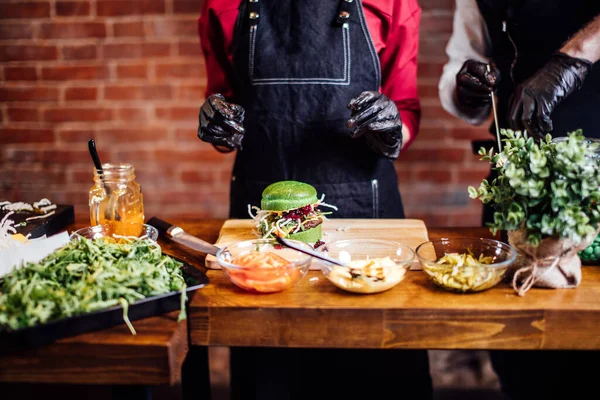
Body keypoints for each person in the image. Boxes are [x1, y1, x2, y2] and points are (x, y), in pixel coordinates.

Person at [197, 0, 432, 399]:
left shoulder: (394, 4)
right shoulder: (222, 5)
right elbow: (225, 100)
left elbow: (405, 107)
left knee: (376, 371)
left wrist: (392, 130)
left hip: (364, 211)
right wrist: (217, 123)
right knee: (270, 371)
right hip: (262, 217)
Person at [439, 1, 600, 399]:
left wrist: (573, 58)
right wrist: (466, 89)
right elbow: (465, 54)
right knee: (522, 357)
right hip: (516, 188)